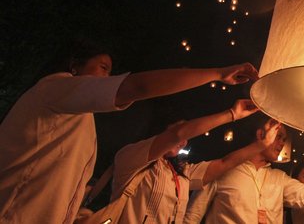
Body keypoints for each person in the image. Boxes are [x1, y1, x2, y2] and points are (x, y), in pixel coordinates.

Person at [0, 38, 259, 223]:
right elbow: (138, 88)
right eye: (103, 68)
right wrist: (217, 75)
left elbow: (221, 163)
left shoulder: (82, 122)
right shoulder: (53, 88)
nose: (107, 79)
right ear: (74, 65)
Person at [112, 99, 279, 223]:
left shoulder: (182, 172)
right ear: (161, 129)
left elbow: (224, 163)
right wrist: (231, 114)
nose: (184, 141)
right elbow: (177, 134)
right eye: (184, 134)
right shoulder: (132, 158)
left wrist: (261, 145)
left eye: (187, 138)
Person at [184, 113, 304, 224]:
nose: (282, 143)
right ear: (260, 135)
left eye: (284, 139)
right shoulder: (222, 170)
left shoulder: (279, 178)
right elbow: (192, 217)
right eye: (279, 137)